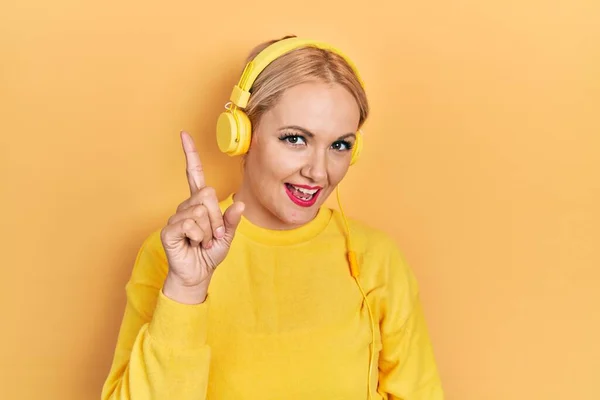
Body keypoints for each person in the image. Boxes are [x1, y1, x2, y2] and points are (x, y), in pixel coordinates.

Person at [101, 35, 444, 400]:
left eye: (339, 145)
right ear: (242, 135)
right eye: (295, 139)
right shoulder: (171, 254)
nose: (318, 171)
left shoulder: (376, 258)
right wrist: (186, 289)